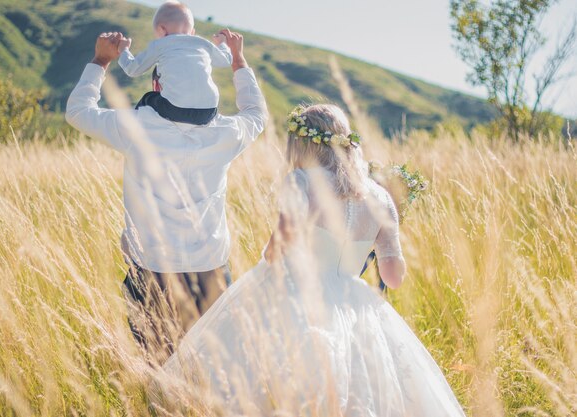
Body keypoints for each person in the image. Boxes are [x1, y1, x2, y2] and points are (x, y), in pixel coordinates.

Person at [163, 104, 465, 416]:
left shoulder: (302, 182)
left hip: (296, 293)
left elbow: (276, 249)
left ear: (304, 144)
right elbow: (393, 278)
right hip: (353, 301)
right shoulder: (381, 197)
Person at [65, 30, 267, 361]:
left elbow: (78, 111)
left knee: (157, 370)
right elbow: (256, 114)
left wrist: (101, 60)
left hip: (152, 270)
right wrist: (239, 60)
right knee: (214, 372)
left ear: (157, 84)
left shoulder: (137, 127)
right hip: (212, 271)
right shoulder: (227, 132)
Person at [117, 1, 232, 125]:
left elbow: (133, 70)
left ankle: (133, 128)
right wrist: (222, 43)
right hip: (209, 111)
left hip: (176, 109)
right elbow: (226, 60)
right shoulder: (203, 43)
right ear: (192, 32)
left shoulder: (160, 44)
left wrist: (123, 50)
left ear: (161, 29)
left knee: (148, 98)